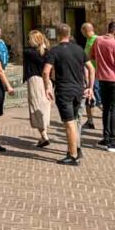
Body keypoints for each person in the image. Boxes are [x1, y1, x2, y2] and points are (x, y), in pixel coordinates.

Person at [44, 23, 93, 165]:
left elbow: (46, 71)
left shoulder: (54, 51)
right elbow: (91, 68)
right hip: (79, 89)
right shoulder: (79, 49)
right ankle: (75, 148)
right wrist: (89, 86)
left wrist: (47, 87)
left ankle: (73, 155)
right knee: (75, 121)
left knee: (69, 123)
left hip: (64, 90)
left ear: (58, 35)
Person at [92, 21, 115, 152]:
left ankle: (106, 137)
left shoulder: (98, 40)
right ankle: (113, 140)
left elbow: (92, 56)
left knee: (106, 108)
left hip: (102, 78)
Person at [24, 30, 53, 148]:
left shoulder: (28, 52)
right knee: (45, 107)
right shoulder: (47, 52)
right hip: (47, 81)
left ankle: (44, 135)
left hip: (35, 81)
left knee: (35, 106)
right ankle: (44, 133)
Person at [80, 22, 98, 130]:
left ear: (85, 30)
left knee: (96, 98)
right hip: (88, 73)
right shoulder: (88, 40)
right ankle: (90, 120)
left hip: (94, 73)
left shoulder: (96, 40)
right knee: (89, 98)